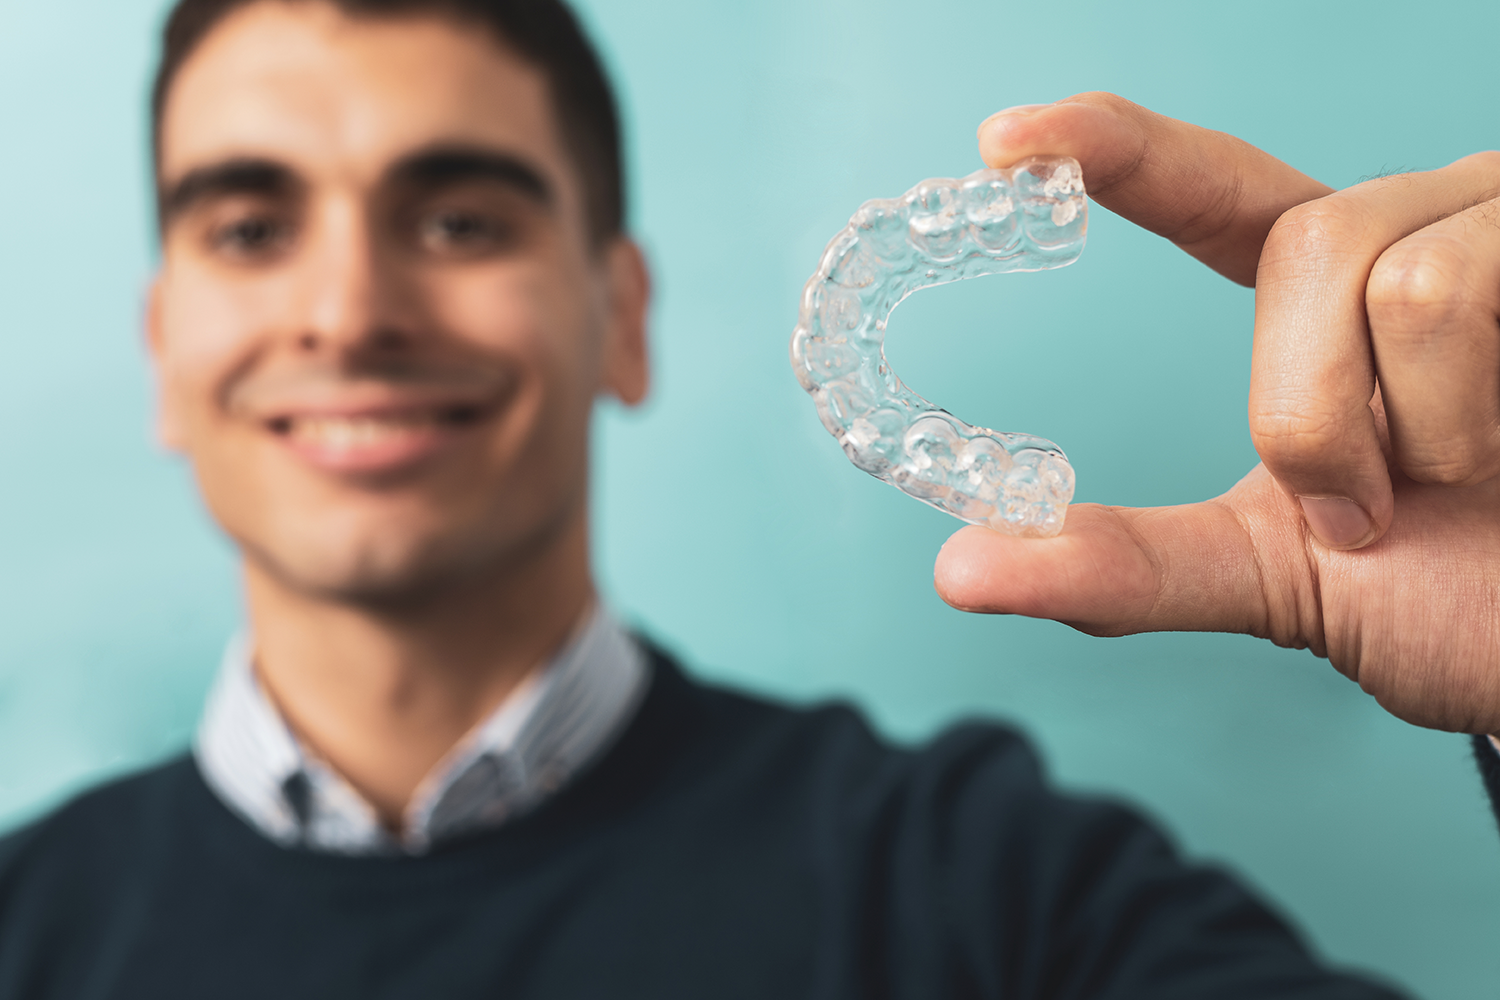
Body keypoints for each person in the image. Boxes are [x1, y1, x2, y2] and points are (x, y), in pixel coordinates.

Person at [0, 0, 1496, 996]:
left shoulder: (990, 899)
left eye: (459, 216)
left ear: (625, 316)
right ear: (160, 350)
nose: (349, 308)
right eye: (251, 225)